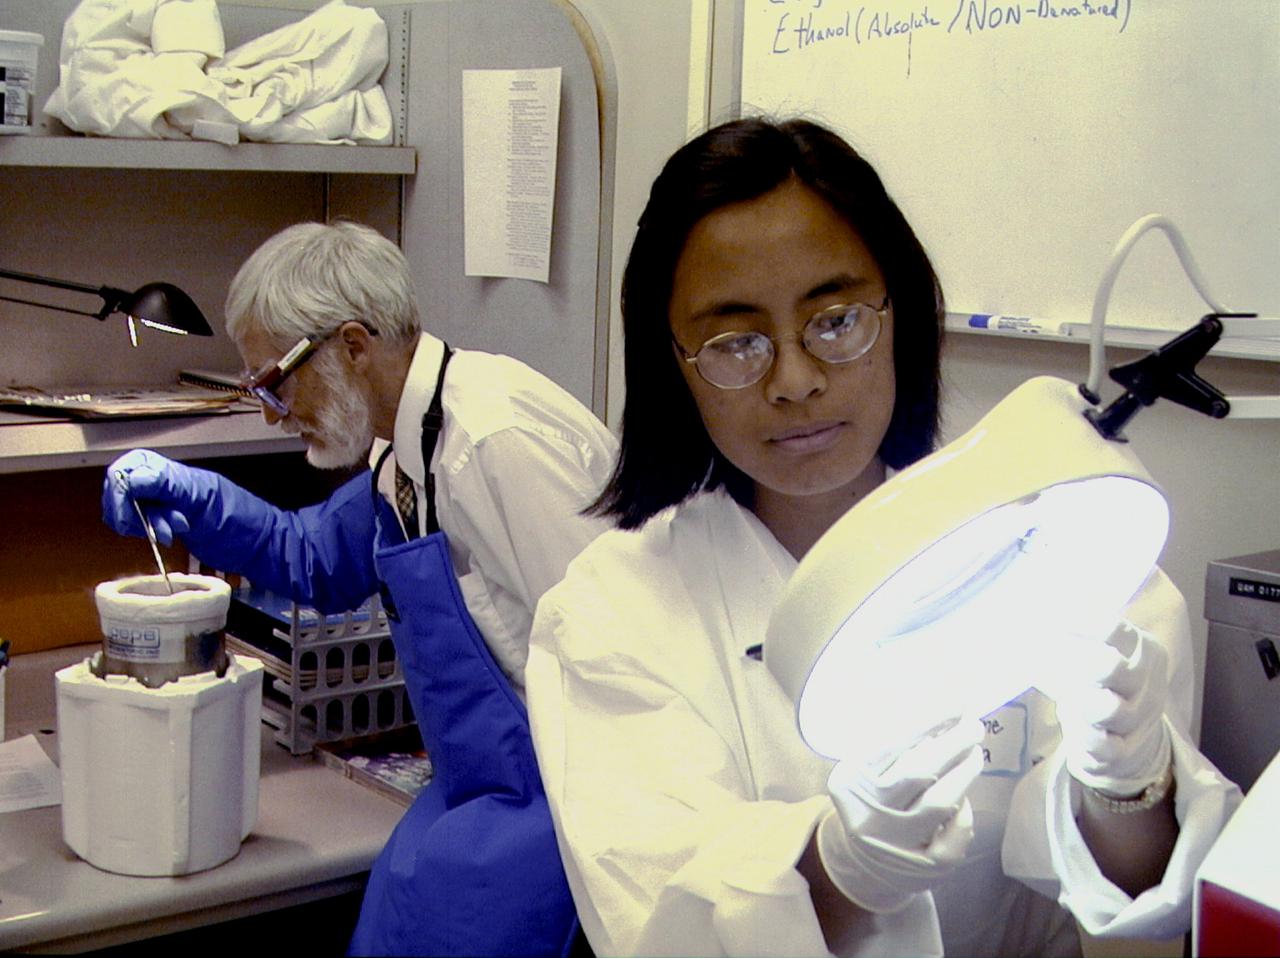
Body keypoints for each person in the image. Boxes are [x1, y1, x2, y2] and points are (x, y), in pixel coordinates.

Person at [524, 117, 1243, 957]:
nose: (795, 381)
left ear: (897, 311)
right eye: (735, 341)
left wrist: (1128, 781)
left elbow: (1137, 906)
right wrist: (840, 872)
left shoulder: (1052, 546)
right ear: (672, 361)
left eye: (835, 321)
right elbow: (660, 932)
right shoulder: (612, 617)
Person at [101, 220, 617, 957]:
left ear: (350, 345)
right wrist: (199, 500)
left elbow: (619, 663)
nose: (270, 412)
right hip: (485, 787)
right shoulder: (404, 447)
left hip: (563, 805)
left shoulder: (494, 445)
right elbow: (315, 558)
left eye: (274, 383)